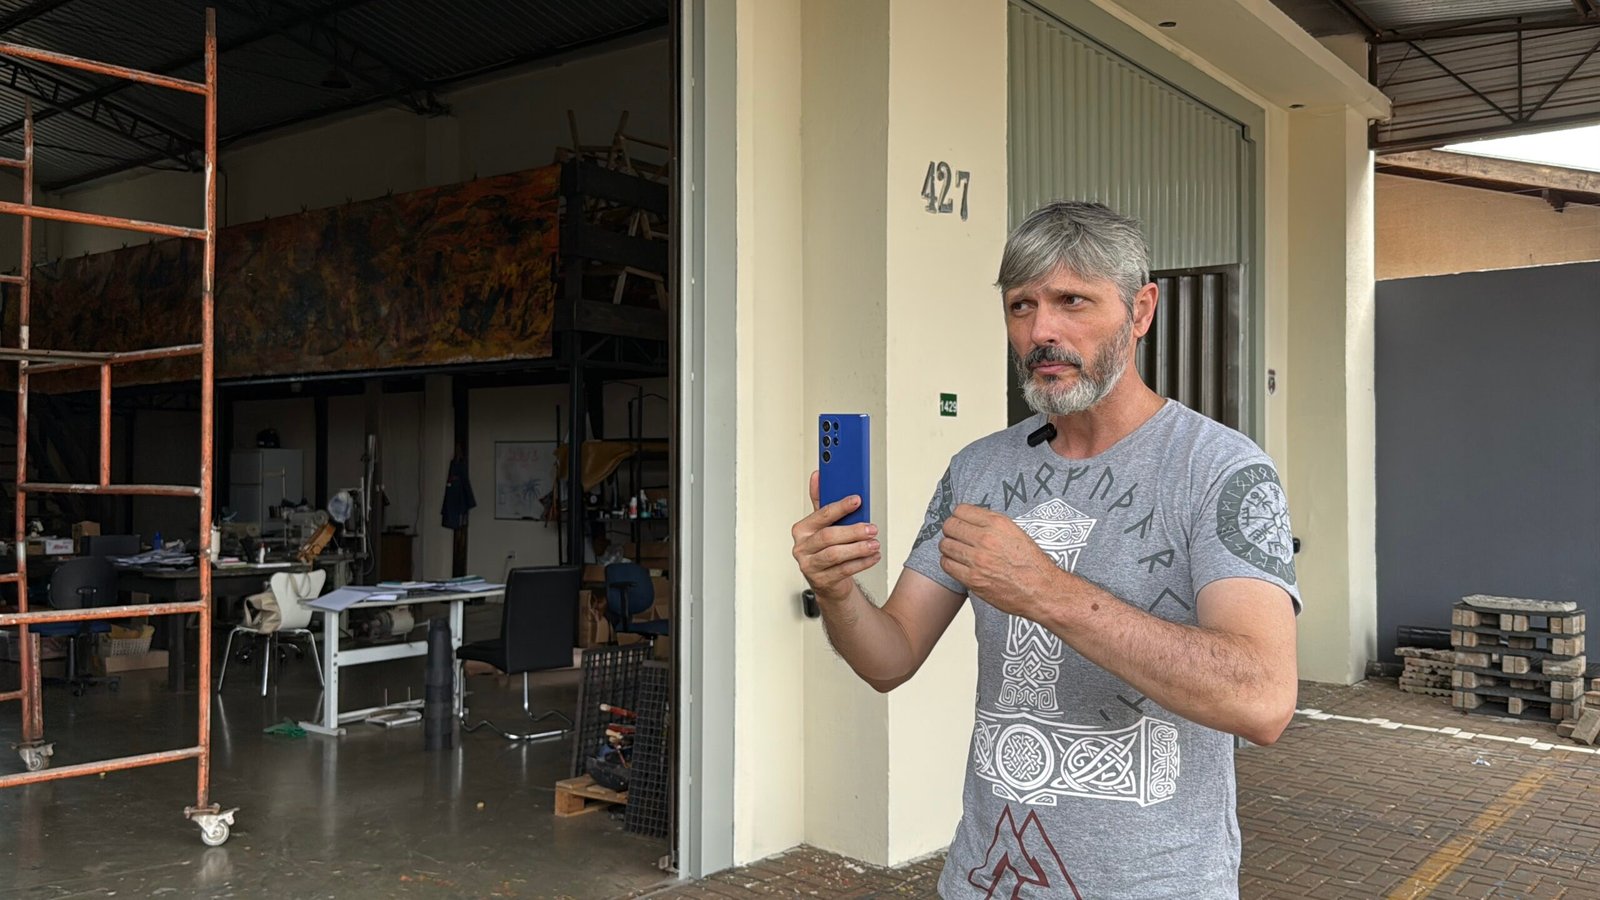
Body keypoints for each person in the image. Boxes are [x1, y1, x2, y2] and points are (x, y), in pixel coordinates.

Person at [790, 201, 1301, 898]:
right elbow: (891, 658)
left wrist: (1045, 590)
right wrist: (836, 589)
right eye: (1021, 306)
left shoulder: (1220, 470)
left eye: (1072, 302)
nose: (1041, 332)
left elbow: (1263, 701)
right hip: (987, 879)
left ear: (1141, 310)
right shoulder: (978, 470)